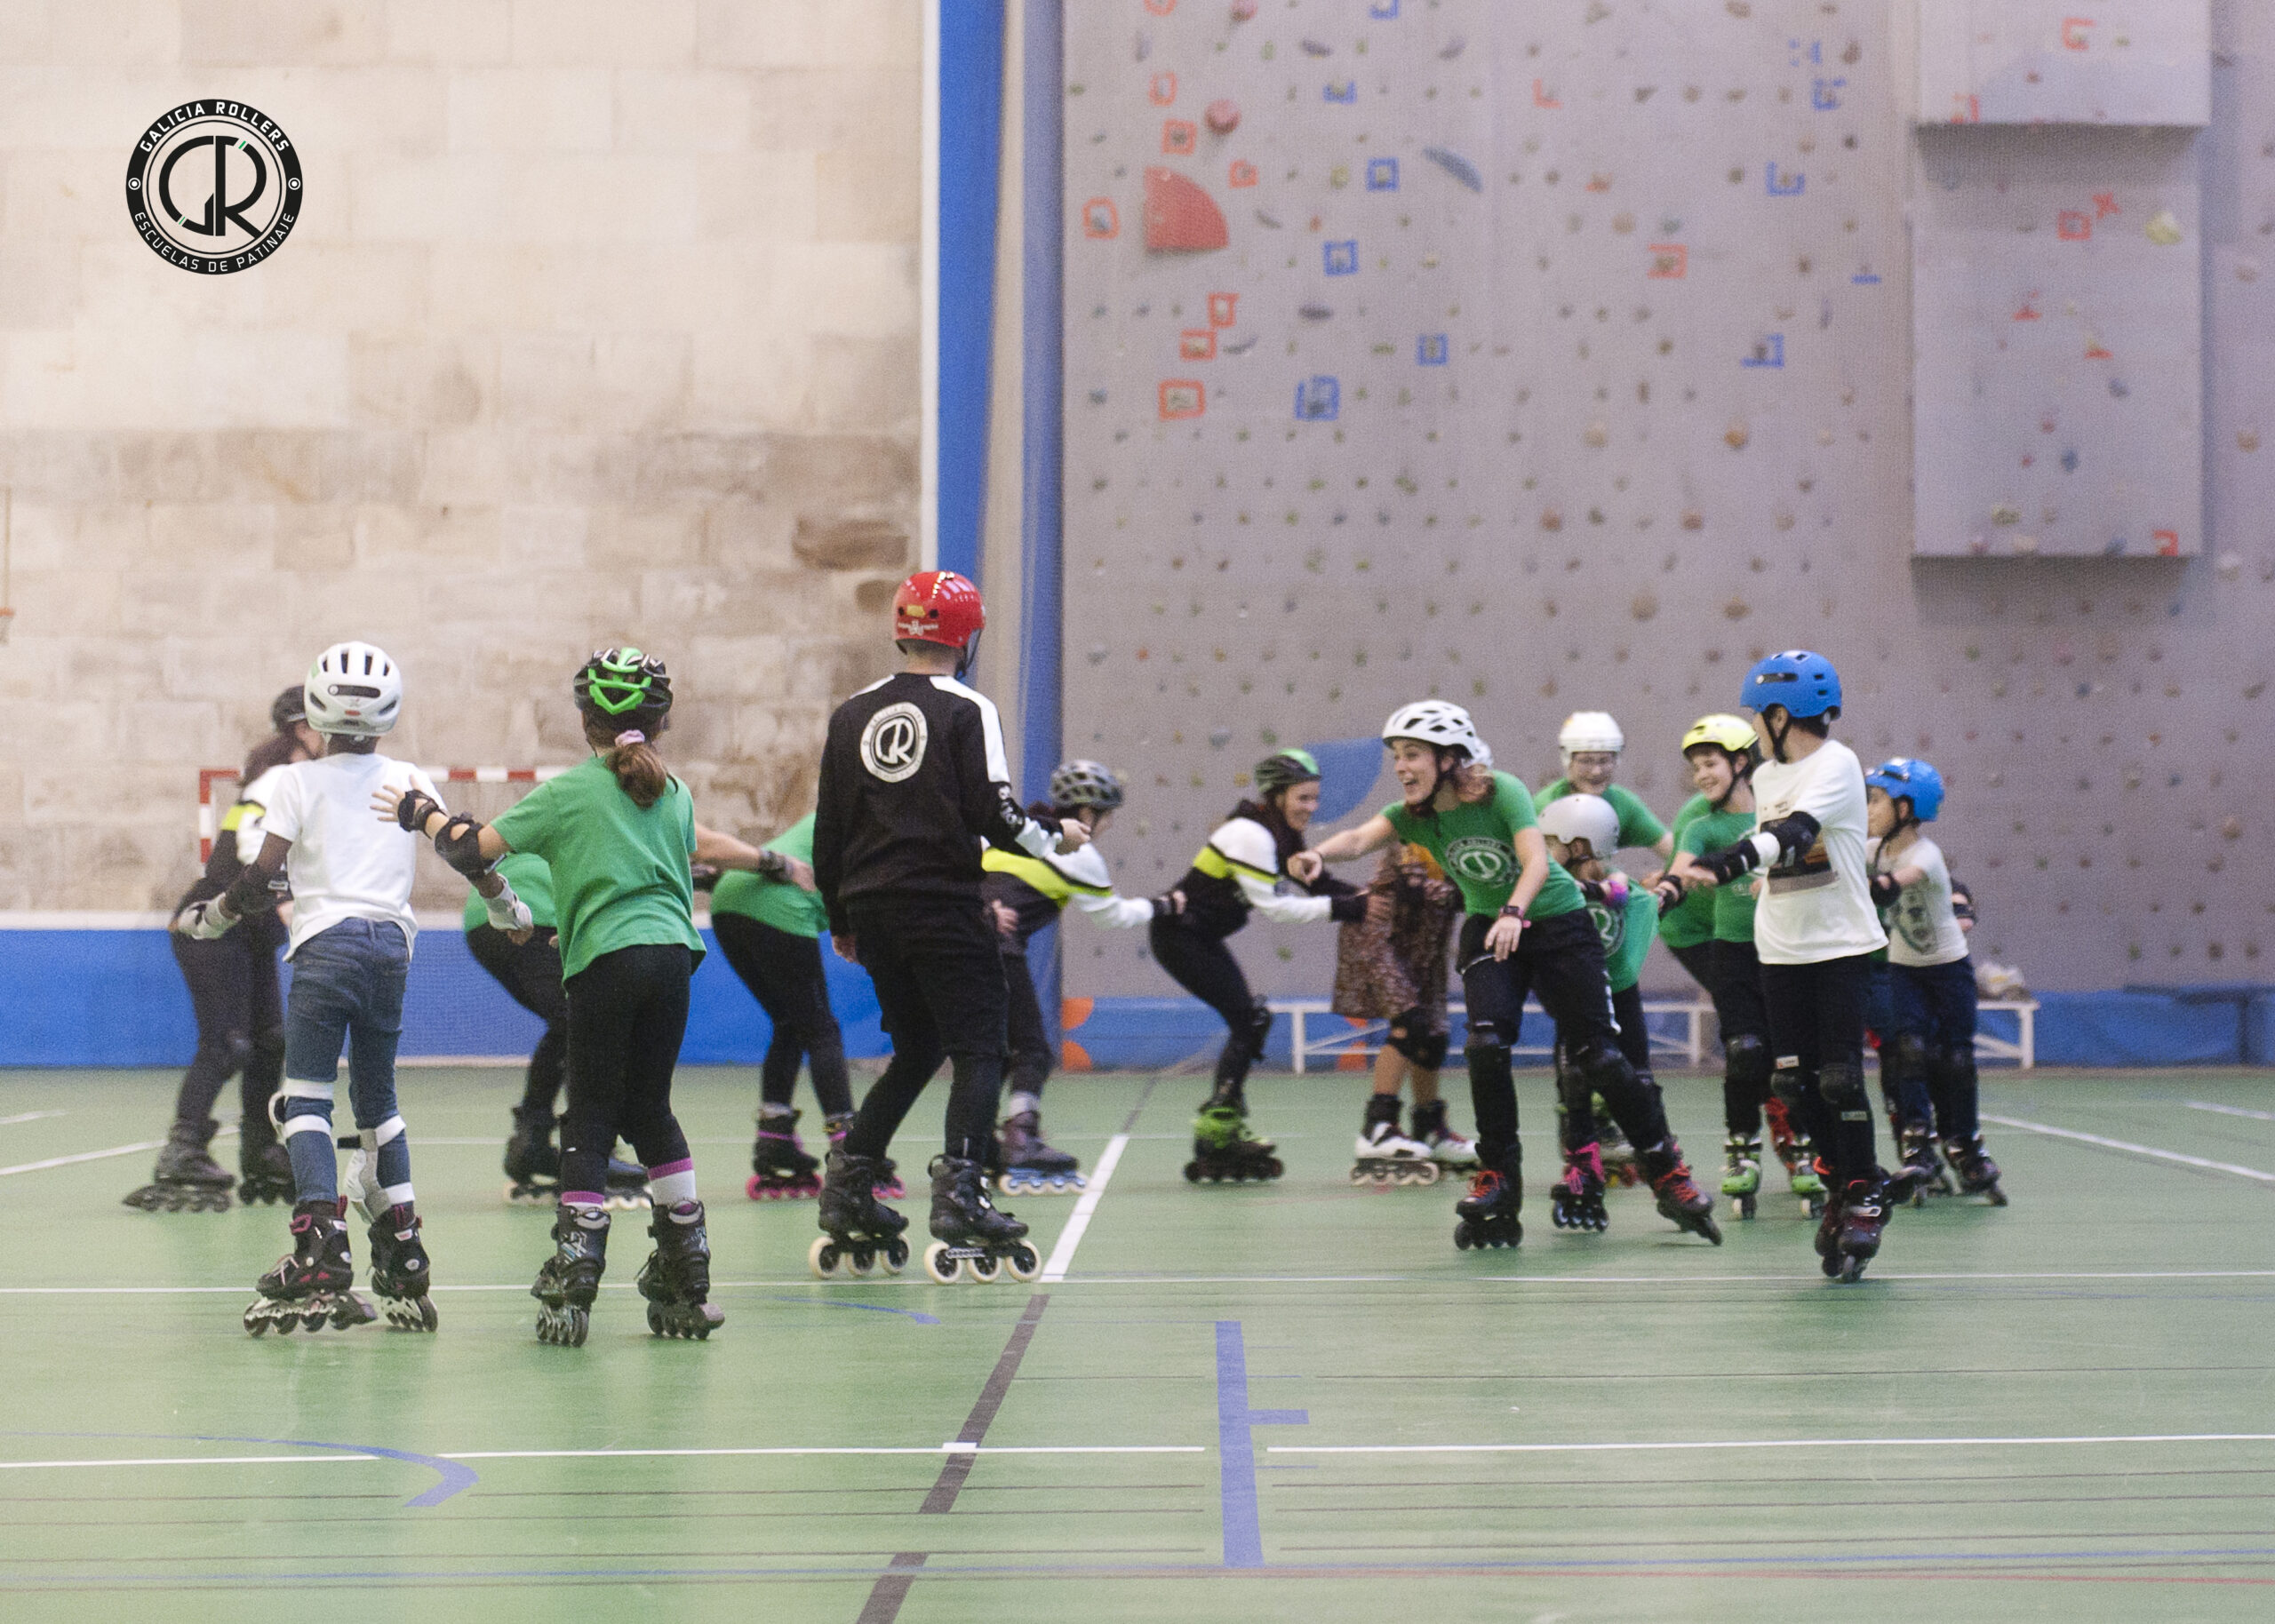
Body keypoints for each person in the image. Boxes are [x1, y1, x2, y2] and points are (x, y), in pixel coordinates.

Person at [388, 647, 776, 1345]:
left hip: (606, 959)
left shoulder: (571, 791)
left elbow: (475, 852)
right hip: (673, 959)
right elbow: (676, 866)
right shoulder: (677, 793)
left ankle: (576, 1265)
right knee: (652, 1109)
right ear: (663, 722)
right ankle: (688, 1270)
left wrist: (423, 815)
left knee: (593, 1114)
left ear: (583, 720)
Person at [1295, 702, 1720, 1249]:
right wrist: (1316, 856)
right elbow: (1357, 839)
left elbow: (1537, 862)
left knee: (1600, 1055)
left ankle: (1668, 1173)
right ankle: (1499, 1178)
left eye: (1413, 755)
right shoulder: (1412, 814)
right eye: (1398, 756)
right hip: (1489, 928)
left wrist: (1516, 912)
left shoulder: (1503, 790)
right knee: (1487, 1044)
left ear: (1450, 759)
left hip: (1556, 922)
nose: (1401, 767)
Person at [810, 570, 1090, 1284]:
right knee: (982, 1047)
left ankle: (848, 1190)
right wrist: (1056, 840)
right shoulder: (968, 709)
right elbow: (994, 813)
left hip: (873, 907)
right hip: (939, 901)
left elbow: (831, 829)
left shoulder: (851, 713)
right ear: (966, 638)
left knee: (915, 1049)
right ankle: (962, 1195)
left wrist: (841, 918)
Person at [175, 644, 451, 1335]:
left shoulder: (293, 783)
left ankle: (320, 1243)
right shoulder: (410, 775)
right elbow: (457, 846)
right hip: (392, 949)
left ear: (317, 710)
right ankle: (405, 1245)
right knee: (379, 1099)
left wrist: (210, 918)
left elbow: (261, 880)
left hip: (326, 947)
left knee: (305, 1097)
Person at [1685, 651, 1893, 1281]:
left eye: (1759, 715)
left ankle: (1862, 1195)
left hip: (1839, 946)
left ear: (1781, 714)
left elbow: (1797, 833)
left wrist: (1730, 863)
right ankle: (1845, 1184)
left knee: (1839, 1081)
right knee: (1792, 1085)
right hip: (1778, 949)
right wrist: (1759, 877)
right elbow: (1782, 853)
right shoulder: (1770, 777)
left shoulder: (1838, 763)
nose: (1757, 726)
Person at [127, 688, 319, 1213]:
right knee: (228, 1043)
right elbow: (254, 849)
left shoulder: (301, 778)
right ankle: (182, 1150)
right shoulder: (283, 777)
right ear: (305, 729)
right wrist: (287, 904)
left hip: (249, 927)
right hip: (214, 922)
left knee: (271, 1041)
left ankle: (260, 1150)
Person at [1153, 748, 1382, 1182]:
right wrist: (1348, 909)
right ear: (1277, 796)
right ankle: (1218, 1126)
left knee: (1252, 1019)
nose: (1311, 809)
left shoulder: (1281, 834)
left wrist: (1374, 900)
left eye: (1315, 799)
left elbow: (1323, 884)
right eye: (1303, 799)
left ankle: (1221, 1127)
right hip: (1179, 936)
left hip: (1198, 936)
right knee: (1249, 1018)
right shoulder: (1250, 835)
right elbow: (1277, 909)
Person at [980, 760, 1179, 1192]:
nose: (1106, 826)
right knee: (1032, 1049)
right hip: (1000, 951)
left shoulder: (1015, 832)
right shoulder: (1078, 854)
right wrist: (1165, 906)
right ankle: (1021, 1137)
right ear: (1088, 814)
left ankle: (974, 1143)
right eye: (1106, 817)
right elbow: (1112, 916)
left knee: (988, 1053)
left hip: (962, 947)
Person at [1668, 714, 1823, 1219]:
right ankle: (1741, 1147)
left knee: (1791, 1058)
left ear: (1740, 762)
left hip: (1784, 950)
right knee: (1744, 1049)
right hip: (1731, 950)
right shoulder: (1702, 824)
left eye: (1709, 764)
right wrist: (1664, 888)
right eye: (1695, 768)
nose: (1701, 776)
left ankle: (1803, 1148)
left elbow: (1820, 868)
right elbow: (1682, 868)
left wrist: (1778, 881)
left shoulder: (1780, 812)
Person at [1537, 792, 1680, 1229]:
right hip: (1579, 998)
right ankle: (1582, 1168)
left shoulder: (1620, 888)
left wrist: (1664, 892)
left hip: (1617, 995)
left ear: (1578, 846)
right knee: (1575, 1082)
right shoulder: (1564, 883)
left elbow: (1630, 899)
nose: (1545, 850)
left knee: (1638, 1079)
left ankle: (1668, 1171)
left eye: (1552, 842)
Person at [1868, 758, 2004, 1205]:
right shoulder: (1870, 848)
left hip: (1949, 969)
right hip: (1904, 970)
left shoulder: (1924, 853)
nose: (1867, 809)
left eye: (1876, 801)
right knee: (1909, 1052)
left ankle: (1964, 1143)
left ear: (1906, 809)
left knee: (1956, 1059)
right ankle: (1918, 1143)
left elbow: (1899, 882)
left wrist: (1862, 885)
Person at [707, 814, 850, 1200]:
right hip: (779, 901)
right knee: (821, 1029)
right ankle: (848, 1150)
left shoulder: (837, 812)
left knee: (789, 1023)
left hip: (729, 900)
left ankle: (774, 1137)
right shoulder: (881, 825)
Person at [1334, 839, 1475, 1182]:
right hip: (1380, 937)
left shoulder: (1469, 836)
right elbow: (1409, 889)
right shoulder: (1412, 832)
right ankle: (1377, 1129)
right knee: (1409, 1025)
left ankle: (1429, 1128)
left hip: (1423, 942)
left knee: (1434, 1034)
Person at [1537, 712, 1674, 873]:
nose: (1596, 771)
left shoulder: (1622, 802)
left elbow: (1674, 852)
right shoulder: (1546, 806)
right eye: (1586, 761)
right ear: (1567, 760)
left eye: (1604, 761)